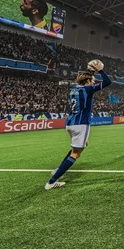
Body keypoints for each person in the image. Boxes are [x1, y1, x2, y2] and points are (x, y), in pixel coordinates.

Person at [45, 61, 111, 190]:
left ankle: (58, 169)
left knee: (78, 147)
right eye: (92, 80)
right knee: (76, 154)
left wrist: (90, 72)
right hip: (81, 124)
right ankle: (52, 182)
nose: (94, 82)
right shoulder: (88, 88)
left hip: (70, 123)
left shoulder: (73, 89)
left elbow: (84, 81)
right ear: (87, 81)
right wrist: (100, 71)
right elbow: (107, 82)